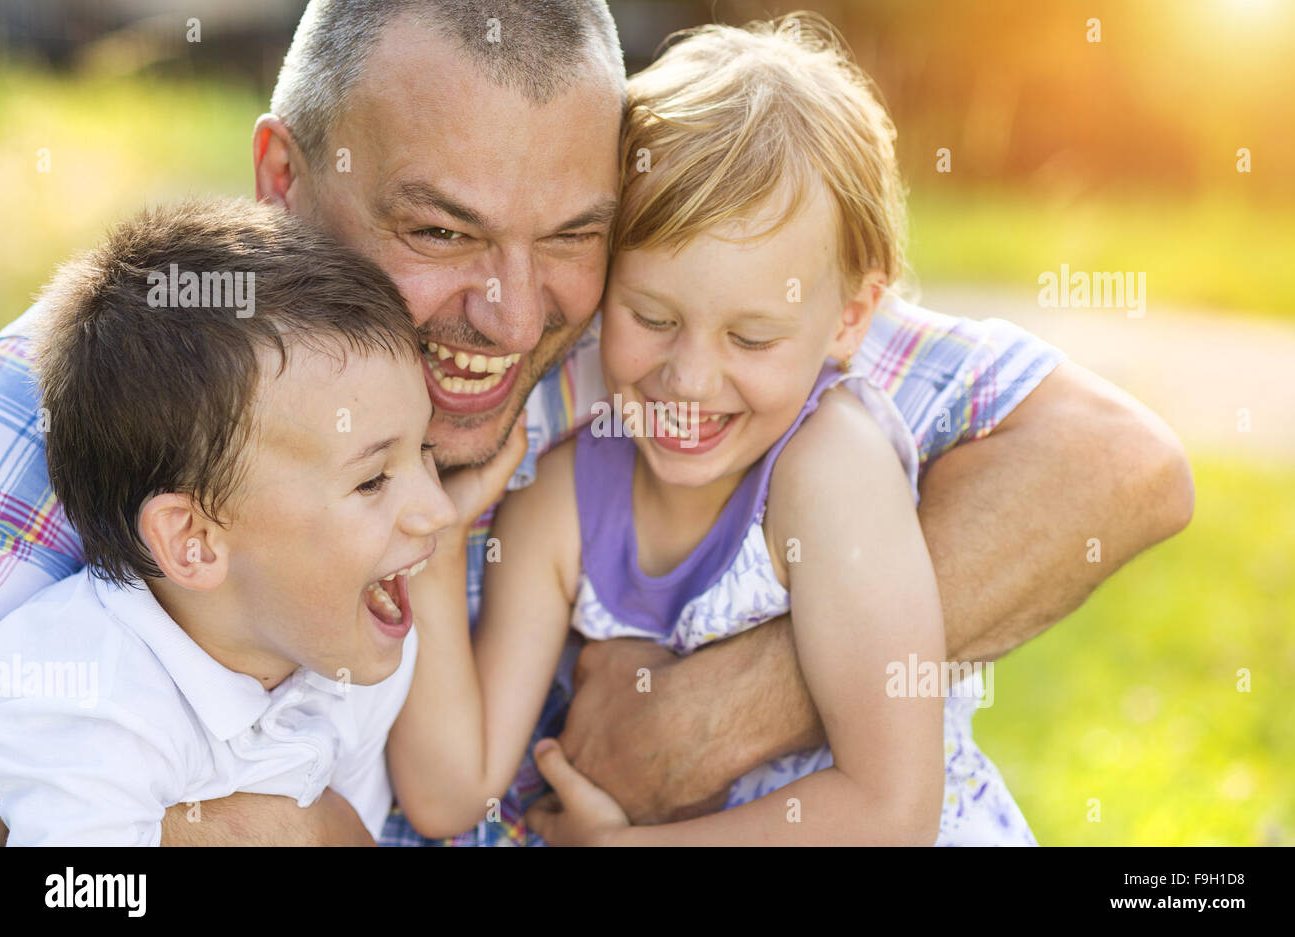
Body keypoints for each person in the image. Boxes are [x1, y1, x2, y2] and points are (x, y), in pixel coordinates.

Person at [0, 1, 1192, 846]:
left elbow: (1115, 464)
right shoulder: (108, 413)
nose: (513, 317)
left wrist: (721, 711)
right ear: (281, 179)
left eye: (572, 234)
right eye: (440, 232)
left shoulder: (680, 339)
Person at [387, 16, 1037, 846]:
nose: (689, 379)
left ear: (850, 318)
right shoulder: (565, 500)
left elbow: (889, 810)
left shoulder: (829, 471)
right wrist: (437, 554)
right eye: (651, 315)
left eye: (751, 337)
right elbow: (449, 794)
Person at [0, 200, 468, 844]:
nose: (440, 511)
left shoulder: (358, 644)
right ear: (193, 542)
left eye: (425, 452)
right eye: (372, 479)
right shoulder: (88, 707)